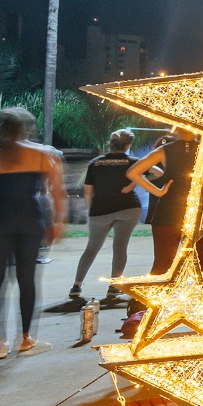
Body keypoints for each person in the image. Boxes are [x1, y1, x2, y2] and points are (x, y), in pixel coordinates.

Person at [0, 107, 65, 359]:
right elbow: (57, 192)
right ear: (24, 129)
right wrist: (57, 222)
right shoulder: (42, 155)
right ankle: (25, 338)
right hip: (30, 220)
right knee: (27, 279)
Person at [128, 128, 203, 276]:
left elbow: (133, 172)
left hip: (169, 210)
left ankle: (152, 299)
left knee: (162, 265)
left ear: (177, 129)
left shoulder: (164, 150)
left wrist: (158, 192)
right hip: (201, 211)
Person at [69, 129, 141, 304]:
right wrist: (132, 184)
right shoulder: (133, 162)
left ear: (110, 143)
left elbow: (88, 190)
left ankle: (76, 286)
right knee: (120, 247)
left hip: (100, 210)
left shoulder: (96, 163)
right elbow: (156, 173)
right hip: (128, 208)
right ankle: (113, 287)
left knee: (92, 248)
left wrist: (90, 210)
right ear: (128, 145)